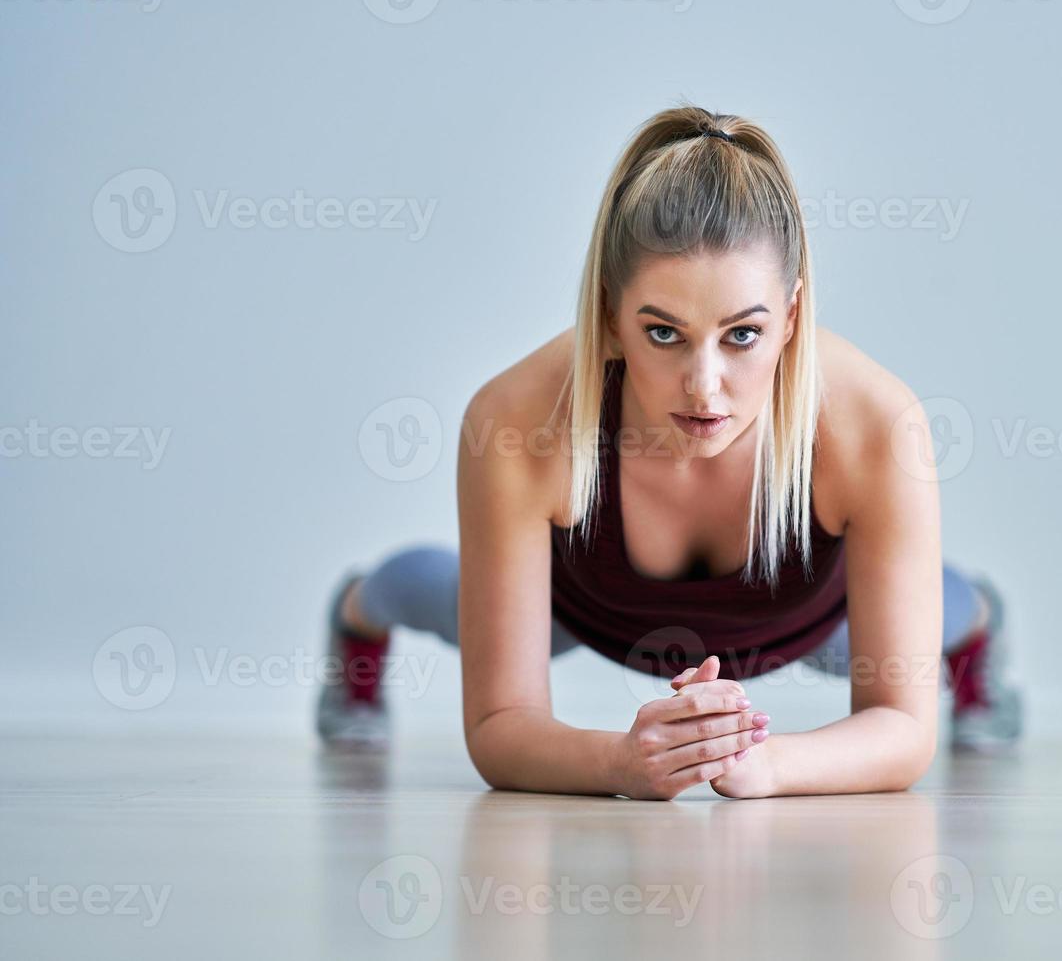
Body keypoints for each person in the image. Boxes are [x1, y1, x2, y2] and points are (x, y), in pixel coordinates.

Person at [315, 104, 1022, 799]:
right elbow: (500, 725)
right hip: (583, 608)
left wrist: (768, 765)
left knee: (940, 616)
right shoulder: (516, 421)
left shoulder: (876, 426)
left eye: (743, 334)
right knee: (434, 591)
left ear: (793, 317)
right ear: (610, 317)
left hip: (816, 621)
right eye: (663, 333)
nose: (704, 386)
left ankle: (980, 626)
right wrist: (619, 764)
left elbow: (900, 725)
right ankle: (355, 612)